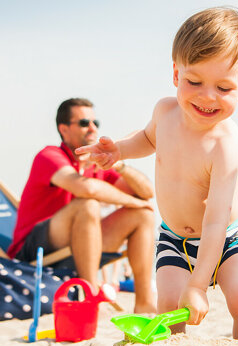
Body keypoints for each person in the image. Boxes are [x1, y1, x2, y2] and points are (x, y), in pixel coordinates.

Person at [77, 7, 238, 346]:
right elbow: (147, 139)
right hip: (175, 239)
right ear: (177, 74)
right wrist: (119, 150)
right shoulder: (165, 112)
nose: (207, 96)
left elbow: (216, 219)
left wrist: (199, 284)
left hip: (225, 238)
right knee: (168, 306)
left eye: (224, 87)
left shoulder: (225, 143)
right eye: (195, 81)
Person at [8, 98, 157, 313]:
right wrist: (134, 202)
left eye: (96, 123)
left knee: (143, 216)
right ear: (64, 129)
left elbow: (147, 192)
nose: (93, 128)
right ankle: (90, 297)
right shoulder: (49, 156)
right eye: (84, 123)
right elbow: (86, 189)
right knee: (87, 205)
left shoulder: (95, 164)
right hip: (34, 250)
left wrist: (118, 163)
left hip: (81, 246)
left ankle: (144, 303)